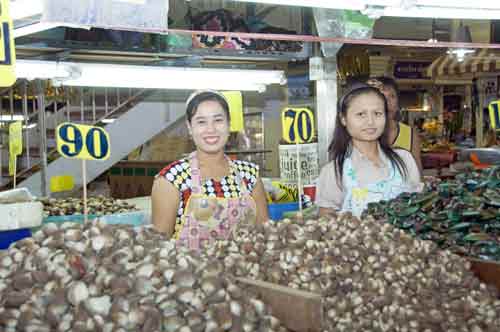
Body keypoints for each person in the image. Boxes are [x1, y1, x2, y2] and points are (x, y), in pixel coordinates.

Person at [151, 90, 268, 249]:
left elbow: (265, 237)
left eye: (218, 120)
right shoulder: (171, 180)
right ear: (190, 128)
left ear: (229, 124)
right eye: (201, 122)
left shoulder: (250, 176)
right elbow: (158, 250)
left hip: (245, 271)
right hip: (189, 272)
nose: (211, 129)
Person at [316, 83, 422, 217]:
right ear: (343, 119)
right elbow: (326, 223)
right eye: (361, 114)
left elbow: (419, 208)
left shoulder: (404, 159)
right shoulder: (335, 171)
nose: (370, 122)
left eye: (377, 113)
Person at [366, 77, 423, 172]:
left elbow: (417, 173)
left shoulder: (411, 134)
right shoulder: (363, 133)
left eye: (392, 96)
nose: (388, 102)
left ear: (397, 102)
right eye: (382, 97)